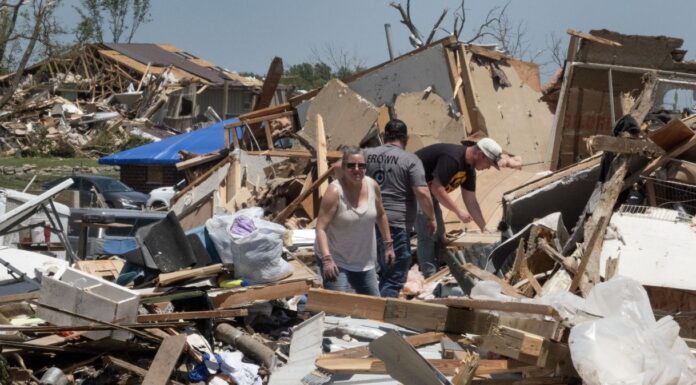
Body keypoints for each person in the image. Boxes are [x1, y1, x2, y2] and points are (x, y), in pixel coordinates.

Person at [414, 138, 522, 278]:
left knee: (440, 233)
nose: (488, 167)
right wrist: (458, 211)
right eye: (488, 163)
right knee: (427, 233)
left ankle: (437, 267)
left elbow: (470, 200)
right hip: (412, 190)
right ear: (480, 154)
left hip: (428, 193)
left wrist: (483, 227)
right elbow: (437, 188)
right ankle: (430, 277)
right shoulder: (453, 158)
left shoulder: (469, 169)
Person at [364, 119, 436, 297]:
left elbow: (340, 171)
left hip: (366, 223)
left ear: (384, 136)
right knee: (395, 274)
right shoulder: (410, 160)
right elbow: (422, 191)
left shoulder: (365, 155)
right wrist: (431, 217)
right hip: (395, 224)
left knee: (374, 271)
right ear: (407, 138)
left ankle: (369, 309)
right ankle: (382, 317)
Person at [315, 146, 395, 296]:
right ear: (344, 167)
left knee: (373, 308)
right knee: (339, 311)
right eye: (351, 165)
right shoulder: (334, 192)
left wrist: (388, 245)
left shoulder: (372, 186)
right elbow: (320, 228)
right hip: (336, 259)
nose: (356, 169)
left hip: (364, 261)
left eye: (361, 165)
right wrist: (327, 260)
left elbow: (381, 215)